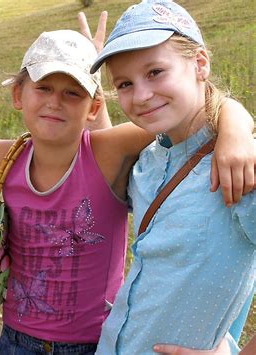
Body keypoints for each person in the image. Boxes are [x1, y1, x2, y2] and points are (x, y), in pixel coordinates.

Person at [0, 23, 254, 354]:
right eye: (43, 88)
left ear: (93, 108)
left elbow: (196, 112)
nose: (55, 102)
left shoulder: (109, 150)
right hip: (15, 340)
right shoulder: (4, 156)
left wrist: (236, 123)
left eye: (72, 93)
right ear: (19, 95)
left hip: (94, 343)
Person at [88, 1, 255, 354]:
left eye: (155, 72)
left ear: (200, 63)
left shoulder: (239, 162)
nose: (142, 96)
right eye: (124, 83)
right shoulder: (147, 163)